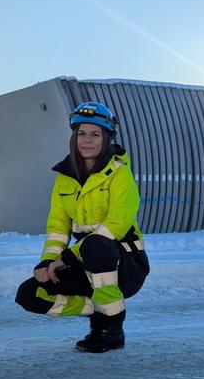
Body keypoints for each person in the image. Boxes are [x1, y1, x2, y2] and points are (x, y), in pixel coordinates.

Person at [15, 101, 149, 353]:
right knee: (29, 293)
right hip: (85, 264)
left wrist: (65, 259)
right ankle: (100, 314)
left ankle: (112, 330)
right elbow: (57, 228)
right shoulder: (64, 179)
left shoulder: (120, 175)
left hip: (126, 266)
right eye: (81, 133)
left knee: (98, 245)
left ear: (106, 138)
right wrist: (47, 262)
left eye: (95, 134)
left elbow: (114, 228)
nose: (87, 140)